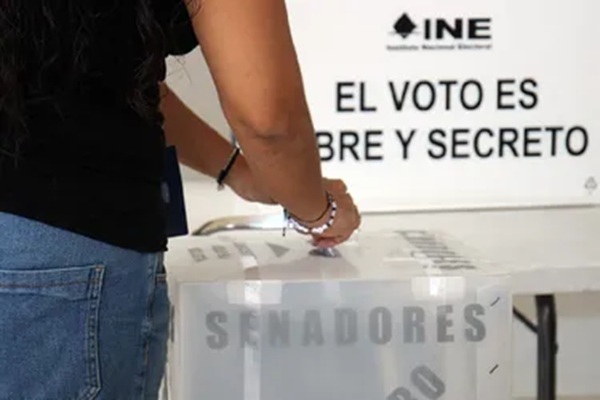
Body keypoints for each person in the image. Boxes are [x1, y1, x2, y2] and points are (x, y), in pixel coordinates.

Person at [0, 0, 361, 398]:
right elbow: (269, 120)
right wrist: (321, 212)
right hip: (65, 254)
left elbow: (106, 73)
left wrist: (237, 171)